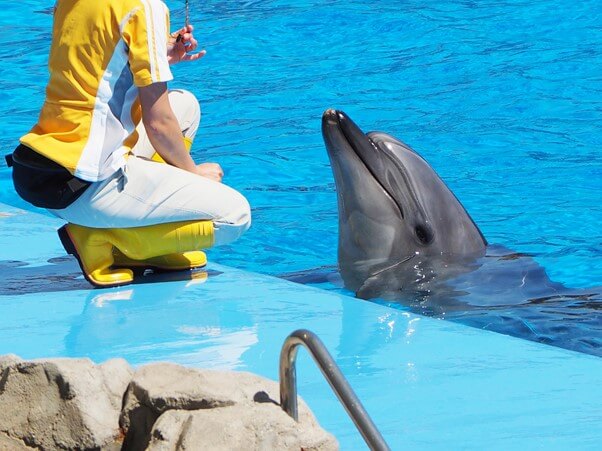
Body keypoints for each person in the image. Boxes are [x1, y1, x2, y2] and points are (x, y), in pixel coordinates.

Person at [7, 0, 251, 288]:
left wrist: (160, 52)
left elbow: (99, 61)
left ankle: (144, 241)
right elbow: (159, 124)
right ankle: (108, 240)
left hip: (42, 169)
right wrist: (194, 173)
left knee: (184, 105)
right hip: (85, 181)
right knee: (235, 216)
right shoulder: (144, 7)